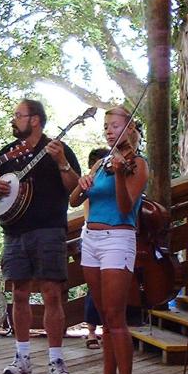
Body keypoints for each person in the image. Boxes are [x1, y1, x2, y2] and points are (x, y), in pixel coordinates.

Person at [0, 99, 81, 374]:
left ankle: (56, 361)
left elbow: (76, 191)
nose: (14, 119)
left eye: (19, 115)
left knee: (52, 294)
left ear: (35, 120)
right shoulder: (8, 152)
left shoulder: (59, 149)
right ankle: (22, 357)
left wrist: (62, 163)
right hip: (14, 231)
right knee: (18, 293)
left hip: (49, 230)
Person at [69, 107, 148, 374]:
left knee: (116, 316)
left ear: (130, 129)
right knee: (103, 315)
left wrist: (118, 175)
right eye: (106, 126)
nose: (109, 130)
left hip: (118, 238)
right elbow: (74, 201)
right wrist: (81, 185)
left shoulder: (137, 164)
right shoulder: (102, 163)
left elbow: (127, 205)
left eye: (115, 125)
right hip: (91, 238)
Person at [82, 147, 110, 350]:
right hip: (92, 236)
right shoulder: (90, 184)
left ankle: (109, 328)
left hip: (114, 237)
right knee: (95, 287)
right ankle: (91, 330)